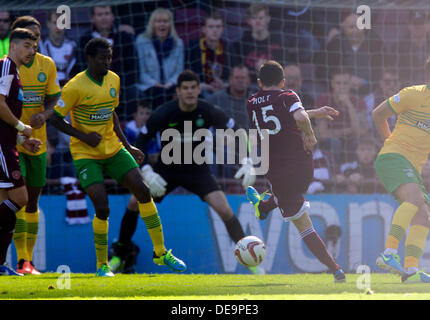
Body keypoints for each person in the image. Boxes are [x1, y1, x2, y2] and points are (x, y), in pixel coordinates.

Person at [49, 38, 186, 277]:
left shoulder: (114, 79)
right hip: (85, 153)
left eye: (109, 58)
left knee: (143, 192)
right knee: (102, 207)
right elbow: (54, 118)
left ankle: (161, 252)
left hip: (113, 148)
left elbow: (111, 113)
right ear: (89, 58)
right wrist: (82, 135)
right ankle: (102, 265)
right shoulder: (74, 86)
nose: (106, 62)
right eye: (102, 58)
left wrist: (128, 145)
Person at [109, 70, 261, 274]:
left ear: (199, 89)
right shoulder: (164, 113)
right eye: (185, 88)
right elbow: (141, 142)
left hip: (197, 170)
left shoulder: (208, 111)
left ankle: (252, 263)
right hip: (167, 169)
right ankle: (119, 255)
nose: (190, 92)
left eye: (193, 88)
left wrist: (247, 159)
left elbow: (239, 130)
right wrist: (146, 170)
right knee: (134, 202)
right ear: (178, 92)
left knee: (224, 209)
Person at [245, 60, 346, 282]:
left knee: (302, 223)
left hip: (276, 170)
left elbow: (278, 118)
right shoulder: (288, 96)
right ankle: (267, 204)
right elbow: (297, 117)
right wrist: (310, 134)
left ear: (260, 82)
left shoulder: (251, 103)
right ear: (283, 81)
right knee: (294, 197)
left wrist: (315, 113)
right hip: (303, 165)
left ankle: (335, 269)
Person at [10, 16, 61, 275]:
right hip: (13, 144)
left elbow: (54, 100)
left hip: (38, 143)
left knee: (32, 202)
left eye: (37, 39)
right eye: (28, 39)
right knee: (18, 200)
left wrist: (46, 115)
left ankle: (27, 262)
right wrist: (19, 132)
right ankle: (21, 260)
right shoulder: (8, 67)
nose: (34, 44)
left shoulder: (47, 65)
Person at [372, 56, 430, 283]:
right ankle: (389, 254)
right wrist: (390, 142)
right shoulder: (412, 94)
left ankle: (411, 270)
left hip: (412, 167)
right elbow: (378, 114)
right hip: (393, 157)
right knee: (415, 201)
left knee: (423, 215)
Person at [0, 28, 41, 276]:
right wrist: (22, 127)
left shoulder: (15, 72)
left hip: (7, 143)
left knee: (5, 209)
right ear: (12, 45)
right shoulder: (6, 66)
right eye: (27, 45)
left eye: (34, 46)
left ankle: (0, 265)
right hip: (2, 148)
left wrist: (21, 139)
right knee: (21, 198)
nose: (31, 51)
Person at [77, 6, 138, 120]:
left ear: (113, 16)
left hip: (122, 87)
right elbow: (81, 67)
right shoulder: (85, 40)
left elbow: (133, 68)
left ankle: (128, 129)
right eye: (100, 15)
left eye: (106, 14)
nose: (104, 18)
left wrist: (117, 85)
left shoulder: (125, 38)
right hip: (93, 85)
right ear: (93, 18)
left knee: (134, 92)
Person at [316, 12, 384, 96]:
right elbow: (322, 71)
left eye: (358, 26)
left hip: (370, 92)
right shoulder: (335, 44)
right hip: (340, 92)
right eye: (351, 27)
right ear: (343, 29)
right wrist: (345, 80)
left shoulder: (375, 43)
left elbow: (380, 70)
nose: (355, 30)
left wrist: (364, 82)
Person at [315, 68, 368, 163]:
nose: (342, 87)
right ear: (332, 84)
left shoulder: (359, 102)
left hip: (351, 141)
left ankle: (354, 171)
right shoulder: (323, 100)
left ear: (350, 85)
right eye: (338, 83)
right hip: (331, 142)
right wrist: (349, 130)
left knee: (358, 141)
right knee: (335, 142)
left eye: (345, 83)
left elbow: (360, 132)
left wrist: (348, 104)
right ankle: (335, 174)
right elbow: (322, 134)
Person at [135, 8, 184, 109]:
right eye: (158, 21)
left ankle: (185, 124)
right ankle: (160, 123)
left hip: (171, 84)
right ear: (152, 24)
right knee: (159, 94)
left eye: (165, 21)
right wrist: (156, 84)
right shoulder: (142, 41)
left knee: (182, 94)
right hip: (149, 85)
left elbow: (179, 71)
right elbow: (142, 72)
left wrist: (169, 83)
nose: (162, 25)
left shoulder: (178, 43)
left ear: (170, 24)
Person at [230, 3, 284, 84]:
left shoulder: (279, 42)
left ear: (268, 19)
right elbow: (238, 72)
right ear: (249, 21)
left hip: (274, 84)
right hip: (249, 86)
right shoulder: (240, 45)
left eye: (261, 18)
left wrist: (267, 68)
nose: (258, 21)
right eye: (254, 18)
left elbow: (284, 67)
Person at [185, 12, 230, 99]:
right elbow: (186, 73)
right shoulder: (192, 47)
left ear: (223, 29)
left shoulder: (228, 47)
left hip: (223, 89)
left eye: (218, 27)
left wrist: (224, 84)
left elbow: (233, 74)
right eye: (211, 27)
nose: (215, 30)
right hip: (200, 89)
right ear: (204, 29)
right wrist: (202, 85)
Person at [390, 11, 430, 87]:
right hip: (407, 89)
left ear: (428, 25)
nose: (418, 26)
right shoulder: (398, 48)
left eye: (421, 23)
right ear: (409, 26)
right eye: (414, 23)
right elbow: (395, 73)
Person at [40, 11, 78, 87]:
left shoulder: (74, 46)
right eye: (55, 23)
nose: (59, 27)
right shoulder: (40, 46)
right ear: (48, 23)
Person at [364, 68, 400, 137]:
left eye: (395, 82)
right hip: (374, 141)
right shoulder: (370, 100)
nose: (392, 85)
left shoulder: (405, 101)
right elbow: (366, 128)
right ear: (381, 83)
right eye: (387, 82)